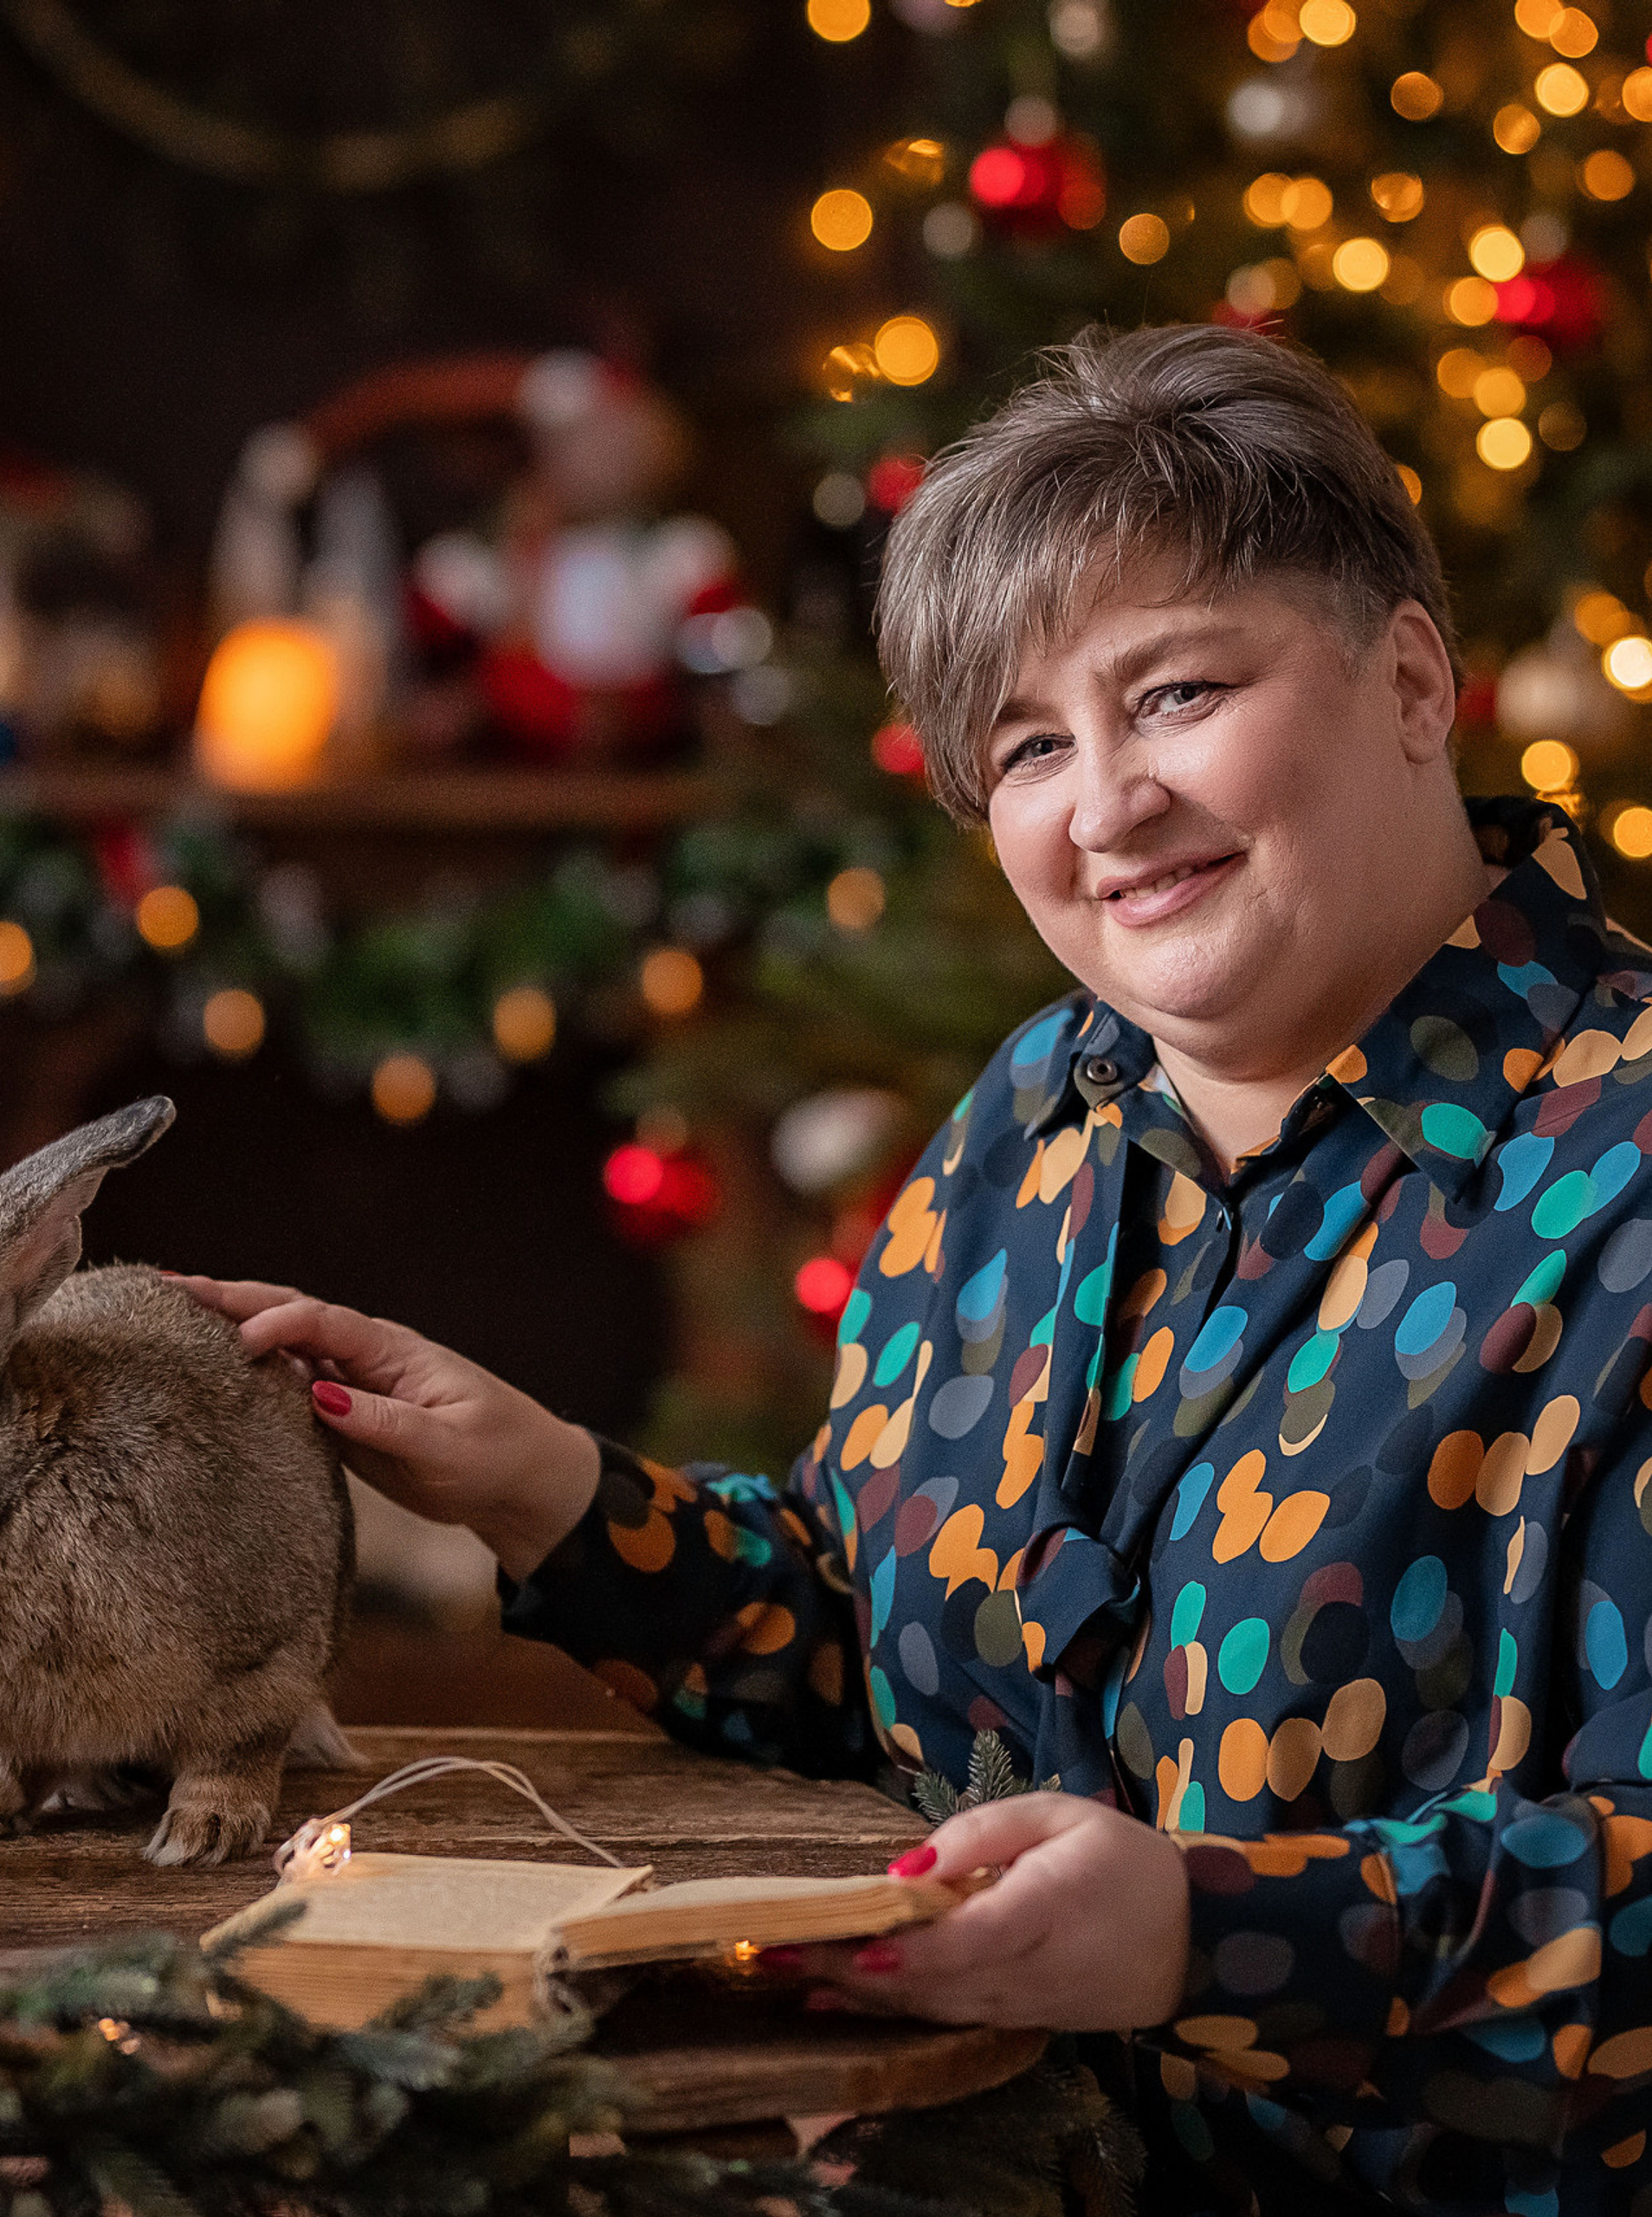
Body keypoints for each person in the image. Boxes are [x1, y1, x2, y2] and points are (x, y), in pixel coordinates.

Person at [176, 323, 1652, 2213]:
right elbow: (883, 1660)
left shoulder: (1622, 1181)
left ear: (1413, 679)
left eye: (1176, 691)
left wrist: (1197, 1936)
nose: (1101, 805)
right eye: (1028, 744)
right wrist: (545, 1489)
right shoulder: (1034, 1113)